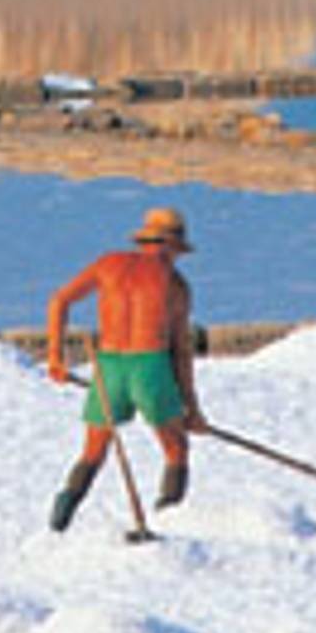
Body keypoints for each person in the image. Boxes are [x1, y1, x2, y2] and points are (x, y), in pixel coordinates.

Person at [41, 205, 204, 531]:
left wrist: (56, 357)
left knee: (92, 452)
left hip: (109, 367)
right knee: (176, 448)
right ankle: (169, 520)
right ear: (172, 246)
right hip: (149, 366)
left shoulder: (108, 264)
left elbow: (59, 301)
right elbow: (180, 353)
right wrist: (191, 408)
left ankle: (58, 524)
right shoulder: (175, 284)